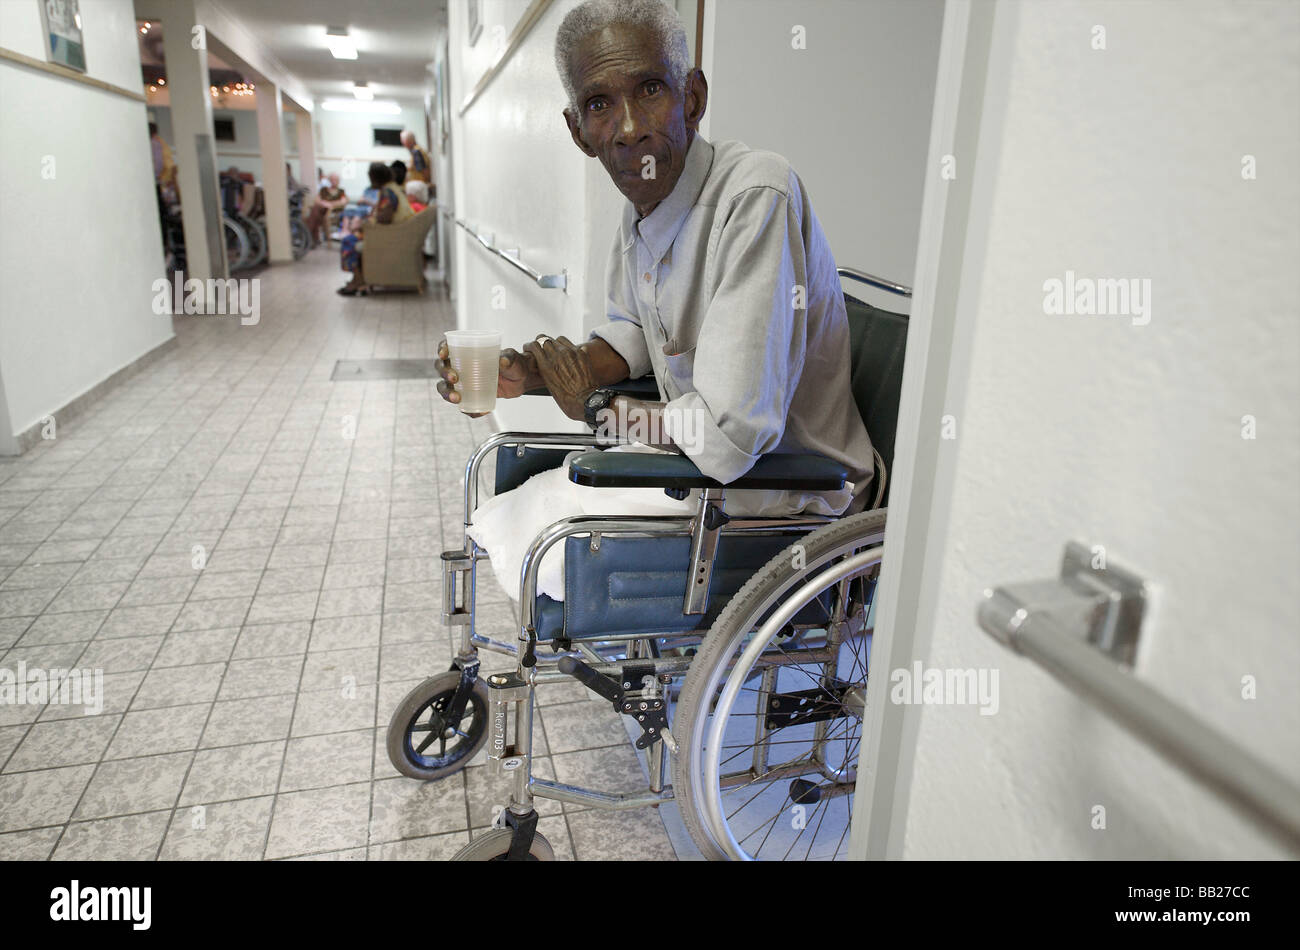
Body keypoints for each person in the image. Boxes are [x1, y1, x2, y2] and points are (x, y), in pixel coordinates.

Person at [436, 0, 874, 601]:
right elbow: (634, 336)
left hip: (790, 490)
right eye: (599, 105)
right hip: (706, 474)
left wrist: (601, 412)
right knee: (515, 501)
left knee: (549, 533)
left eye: (649, 89)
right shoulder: (641, 215)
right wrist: (531, 374)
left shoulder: (755, 196)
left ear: (693, 98)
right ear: (577, 132)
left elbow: (729, 440)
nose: (628, 127)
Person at [338, 162, 414, 295]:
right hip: (398, 232)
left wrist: (364, 225)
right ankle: (357, 278)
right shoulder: (394, 188)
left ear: (376, 177)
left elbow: (384, 218)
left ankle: (358, 280)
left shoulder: (387, 192)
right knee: (353, 238)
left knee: (348, 241)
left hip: (389, 236)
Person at [305, 172, 348, 246]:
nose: (334, 181)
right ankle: (312, 239)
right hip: (321, 211)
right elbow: (316, 200)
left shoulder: (341, 191)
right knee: (315, 210)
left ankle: (309, 238)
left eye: (336, 179)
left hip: (333, 213)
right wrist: (323, 203)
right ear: (329, 180)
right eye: (332, 179)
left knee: (313, 215)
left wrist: (330, 204)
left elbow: (343, 202)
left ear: (338, 181)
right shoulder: (323, 190)